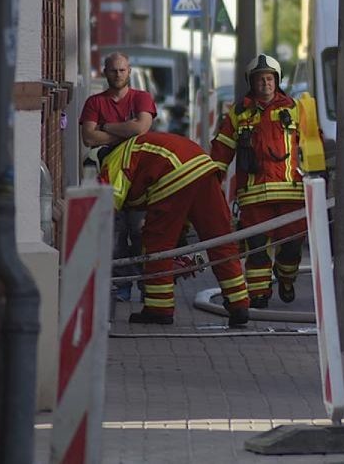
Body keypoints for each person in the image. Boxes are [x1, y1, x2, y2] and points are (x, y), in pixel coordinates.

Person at [98, 131, 251, 327]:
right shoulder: (138, 146)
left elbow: (106, 202)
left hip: (173, 173)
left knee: (157, 245)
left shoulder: (113, 160)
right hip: (203, 167)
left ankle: (158, 309)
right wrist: (181, 235)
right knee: (220, 238)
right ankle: (239, 305)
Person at [211, 54, 308, 309]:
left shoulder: (295, 109)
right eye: (259, 79)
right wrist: (213, 184)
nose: (265, 84)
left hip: (291, 195)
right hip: (253, 196)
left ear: (277, 81)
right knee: (256, 249)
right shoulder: (239, 114)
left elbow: (312, 146)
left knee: (291, 249)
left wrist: (318, 181)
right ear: (251, 83)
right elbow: (222, 150)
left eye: (269, 79)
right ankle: (259, 295)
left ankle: (286, 278)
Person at [80, 52, 158, 302]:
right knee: (114, 235)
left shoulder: (141, 98)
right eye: (113, 70)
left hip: (139, 179)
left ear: (129, 71)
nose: (118, 74)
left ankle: (147, 286)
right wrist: (126, 132)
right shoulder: (94, 103)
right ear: (105, 72)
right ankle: (120, 287)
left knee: (140, 232)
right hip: (108, 180)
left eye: (122, 70)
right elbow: (88, 138)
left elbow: (141, 128)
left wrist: (104, 127)